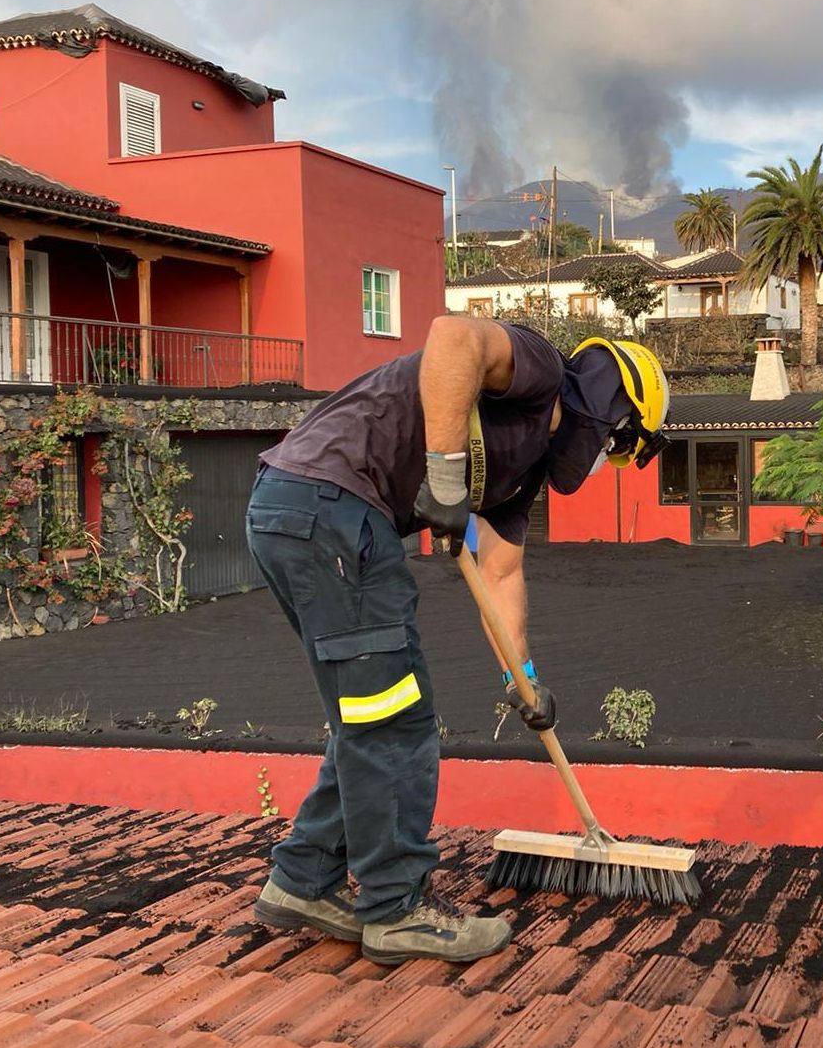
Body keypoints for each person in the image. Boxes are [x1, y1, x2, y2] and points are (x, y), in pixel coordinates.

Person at [245, 316, 669, 965]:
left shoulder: (517, 477)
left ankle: (304, 879)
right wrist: (444, 473)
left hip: (298, 511)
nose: (606, 459)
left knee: (369, 715)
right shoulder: (540, 368)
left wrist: (520, 679)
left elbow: (500, 576)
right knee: (397, 720)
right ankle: (396, 910)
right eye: (617, 444)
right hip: (331, 504)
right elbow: (451, 337)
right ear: (613, 411)